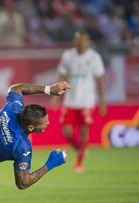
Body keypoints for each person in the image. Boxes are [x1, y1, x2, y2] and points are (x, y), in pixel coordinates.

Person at [53, 30, 106, 173]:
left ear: (88, 42)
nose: (81, 43)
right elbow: (62, 75)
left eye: (84, 41)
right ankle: (79, 149)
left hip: (86, 101)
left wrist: (102, 101)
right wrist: (56, 96)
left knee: (84, 132)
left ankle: (79, 163)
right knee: (66, 132)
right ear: (75, 41)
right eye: (79, 41)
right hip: (70, 100)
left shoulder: (94, 57)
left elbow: (100, 79)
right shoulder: (68, 56)